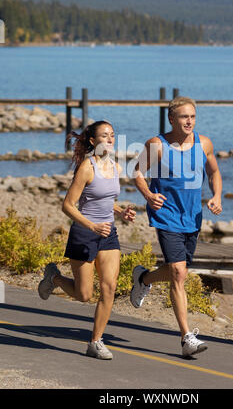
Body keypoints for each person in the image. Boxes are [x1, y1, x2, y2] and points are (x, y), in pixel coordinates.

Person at [130, 97, 222, 358]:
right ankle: (186, 338)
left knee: (175, 271)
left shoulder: (204, 143)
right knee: (179, 274)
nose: (189, 121)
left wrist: (217, 196)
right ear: (172, 119)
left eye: (192, 116)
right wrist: (149, 195)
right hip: (166, 215)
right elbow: (136, 172)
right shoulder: (157, 145)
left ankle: (143, 279)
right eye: (183, 117)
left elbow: (214, 172)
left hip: (192, 217)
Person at [38, 120, 136, 360]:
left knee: (109, 287)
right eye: (105, 135)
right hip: (84, 233)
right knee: (84, 295)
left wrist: (120, 212)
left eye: (113, 135)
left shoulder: (115, 167)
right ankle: (55, 278)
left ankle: (95, 342)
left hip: (107, 233)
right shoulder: (87, 167)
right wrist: (91, 225)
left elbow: (103, 200)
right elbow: (68, 205)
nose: (111, 139)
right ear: (93, 141)